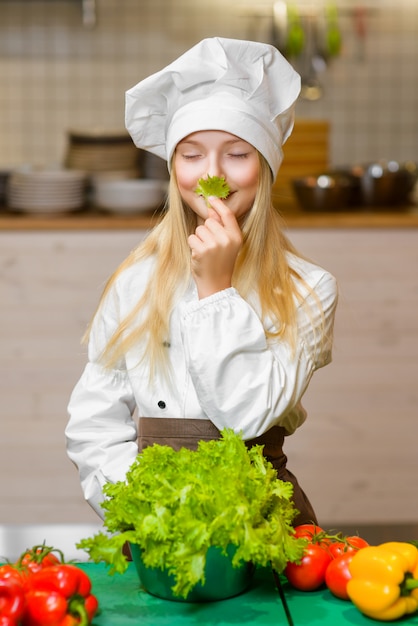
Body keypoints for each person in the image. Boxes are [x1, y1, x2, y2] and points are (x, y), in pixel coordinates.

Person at [65, 37, 338, 525]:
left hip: (262, 514)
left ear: (266, 167)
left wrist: (217, 288)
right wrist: (143, 508)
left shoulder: (309, 288)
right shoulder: (136, 279)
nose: (211, 175)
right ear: (173, 170)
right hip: (156, 511)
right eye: (191, 155)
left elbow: (246, 418)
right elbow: (94, 420)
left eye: (236, 153)